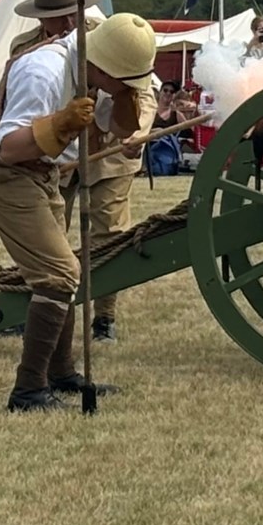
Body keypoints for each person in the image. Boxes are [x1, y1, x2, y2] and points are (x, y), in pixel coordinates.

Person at [0, 13, 156, 412]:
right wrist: (60, 123)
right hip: (1, 171)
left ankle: (60, 374)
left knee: (65, 268)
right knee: (58, 274)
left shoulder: (93, 68)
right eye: (129, 82)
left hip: (41, 170)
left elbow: (117, 126)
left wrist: (124, 103)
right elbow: (8, 147)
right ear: (108, 68)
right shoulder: (44, 73)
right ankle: (28, 392)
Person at [60, 83, 158, 342]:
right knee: (45, 232)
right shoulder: (53, 49)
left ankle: (104, 318)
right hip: (61, 149)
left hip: (111, 151)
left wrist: (138, 132)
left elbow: (145, 94)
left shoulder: (123, 47)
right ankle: (32, 309)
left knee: (109, 237)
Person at [10, 0, 101, 57]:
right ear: (41, 19)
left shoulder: (100, 33)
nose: (69, 24)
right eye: (59, 18)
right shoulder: (25, 48)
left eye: (73, 14)